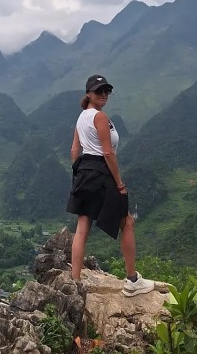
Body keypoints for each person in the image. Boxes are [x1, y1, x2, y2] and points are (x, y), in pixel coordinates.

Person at [66, 74, 155, 297]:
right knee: (127, 222)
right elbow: (107, 153)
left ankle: (75, 283)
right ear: (89, 93)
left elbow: (74, 151)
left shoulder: (81, 117)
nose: (104, 94)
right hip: (102, 172)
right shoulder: (99, 117)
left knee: (82, 227)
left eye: (106, 91)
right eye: (99, 91)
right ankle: (132, 281)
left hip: (84, 172)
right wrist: (119, 183)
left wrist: (79, 175)